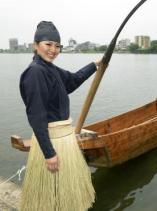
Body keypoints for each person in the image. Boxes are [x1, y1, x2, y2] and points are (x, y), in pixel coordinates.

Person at [19, 21, 98, 211]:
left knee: (63, 195)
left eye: (57, 46)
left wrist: (94, 65)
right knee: (49, 195)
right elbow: (36, 117)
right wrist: (49, 154)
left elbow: (72, 81)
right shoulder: (35, 72)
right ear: (35, 45)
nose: (53, 50)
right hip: (53, 143)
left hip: (64, 139)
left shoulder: (50, 69)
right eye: (48, 44)